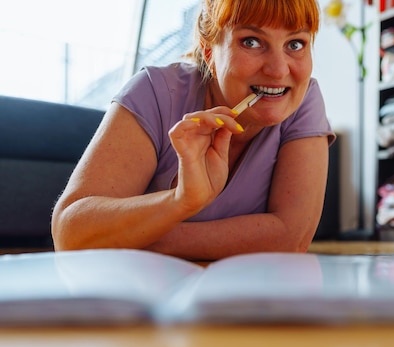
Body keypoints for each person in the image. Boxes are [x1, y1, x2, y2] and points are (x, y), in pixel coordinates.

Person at [51, 0, 335, 261]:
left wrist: (132, 239)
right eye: (251, 41)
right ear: (210, 50)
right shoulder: (155, 92)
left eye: (296, 44)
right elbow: (71, 234)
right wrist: (181, 201)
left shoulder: (304, 99)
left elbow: (291, 239)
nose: (278, 70)